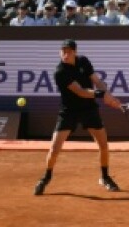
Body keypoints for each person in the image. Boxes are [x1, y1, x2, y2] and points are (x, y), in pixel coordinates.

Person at [35, 39, 123, 195]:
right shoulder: (60, 71)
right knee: (55, 149)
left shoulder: (83, 61)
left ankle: (104, 177)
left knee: (103, 145)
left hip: (89, 109)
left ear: (75, 52)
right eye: (63, 51)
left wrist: (109, 95)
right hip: (69, 111)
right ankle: (46, 177)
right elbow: (81, 91)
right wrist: (102, 95)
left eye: (69, 51)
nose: (65, 54)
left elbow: (97, 81)